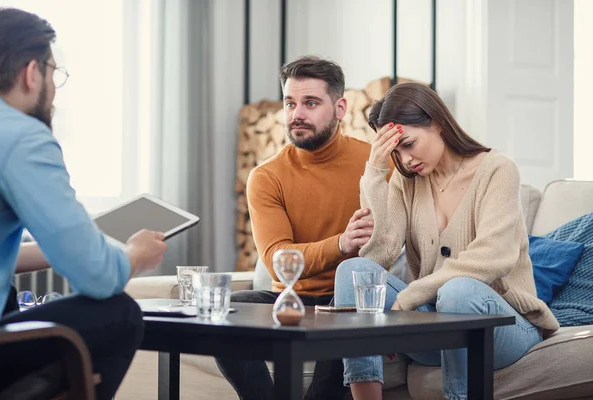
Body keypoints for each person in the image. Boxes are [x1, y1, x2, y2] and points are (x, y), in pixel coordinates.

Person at [333, 82, 560, 400]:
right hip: (432, 326)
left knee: (459, 291)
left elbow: (495, 255)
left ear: (437, 121)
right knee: (353, 270)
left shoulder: (498, 170)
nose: (406, 159)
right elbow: (380, 254)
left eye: (409, 144)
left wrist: (412, 294)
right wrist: (374, 170)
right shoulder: (406, 181)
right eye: (396, 151)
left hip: (502, 327)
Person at [0, 8, 167, 400]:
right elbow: (97, 276)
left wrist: (69, 244)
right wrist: (135, 255)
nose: (54, 87)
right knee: (117, 312)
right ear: (31, 72)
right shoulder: (22, 138)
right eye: (55, 73)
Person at [215, 56, 391, 400]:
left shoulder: (374, 163)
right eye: (290, 103)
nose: (297, 114)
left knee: (346, 327)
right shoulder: (266, 176)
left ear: (340, 108)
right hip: (289, 297)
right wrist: (340, 244)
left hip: (347, 300)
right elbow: (277, 258)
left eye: (311, 103)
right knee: (224, 310)